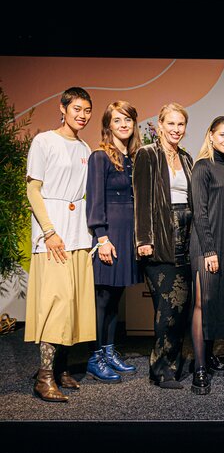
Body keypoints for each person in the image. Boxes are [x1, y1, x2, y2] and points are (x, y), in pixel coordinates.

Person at [25, 86, 96, 402]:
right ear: (63, 108)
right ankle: (44, 377)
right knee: (56, 303)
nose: (82, 115)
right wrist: (49, 231)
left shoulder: (84, 147)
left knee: (74, 303)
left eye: (87, 110)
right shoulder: (44, 141)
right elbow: (33, 190)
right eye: (77, 108)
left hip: (78, 232)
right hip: (53, 233)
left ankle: (61, 368)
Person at [133, 102, 193, 390]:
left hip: (187, 237)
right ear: (159, 125)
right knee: (166, 309)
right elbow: (142, 199)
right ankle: (160, 370)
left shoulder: (187, 158)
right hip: (160, 238)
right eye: (171, 123)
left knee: (181, 308)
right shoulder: (147, 155)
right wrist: (144, 240)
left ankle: (174, 364)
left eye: (180, 124)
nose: (176, 129)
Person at [85, 100, 143, 384]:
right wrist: (102, 238)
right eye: (118, 120)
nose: (123, 125)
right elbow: (95, 201)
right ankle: (95, 357)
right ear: (108, 124)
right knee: (103, 299)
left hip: (127, 234)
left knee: (116, 298)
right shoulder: (100, 156)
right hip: (109, 235)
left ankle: (109, 352)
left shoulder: (133, 158)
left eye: (128, 120)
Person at [188, 116, 224, 395]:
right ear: (210, 135)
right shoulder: (202, 167)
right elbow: (200, 211)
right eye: (222, 135)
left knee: (217, 301)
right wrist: (209, 249)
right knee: (202, 302)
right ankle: (198, 368)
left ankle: (209, 357)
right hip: (205, 245)